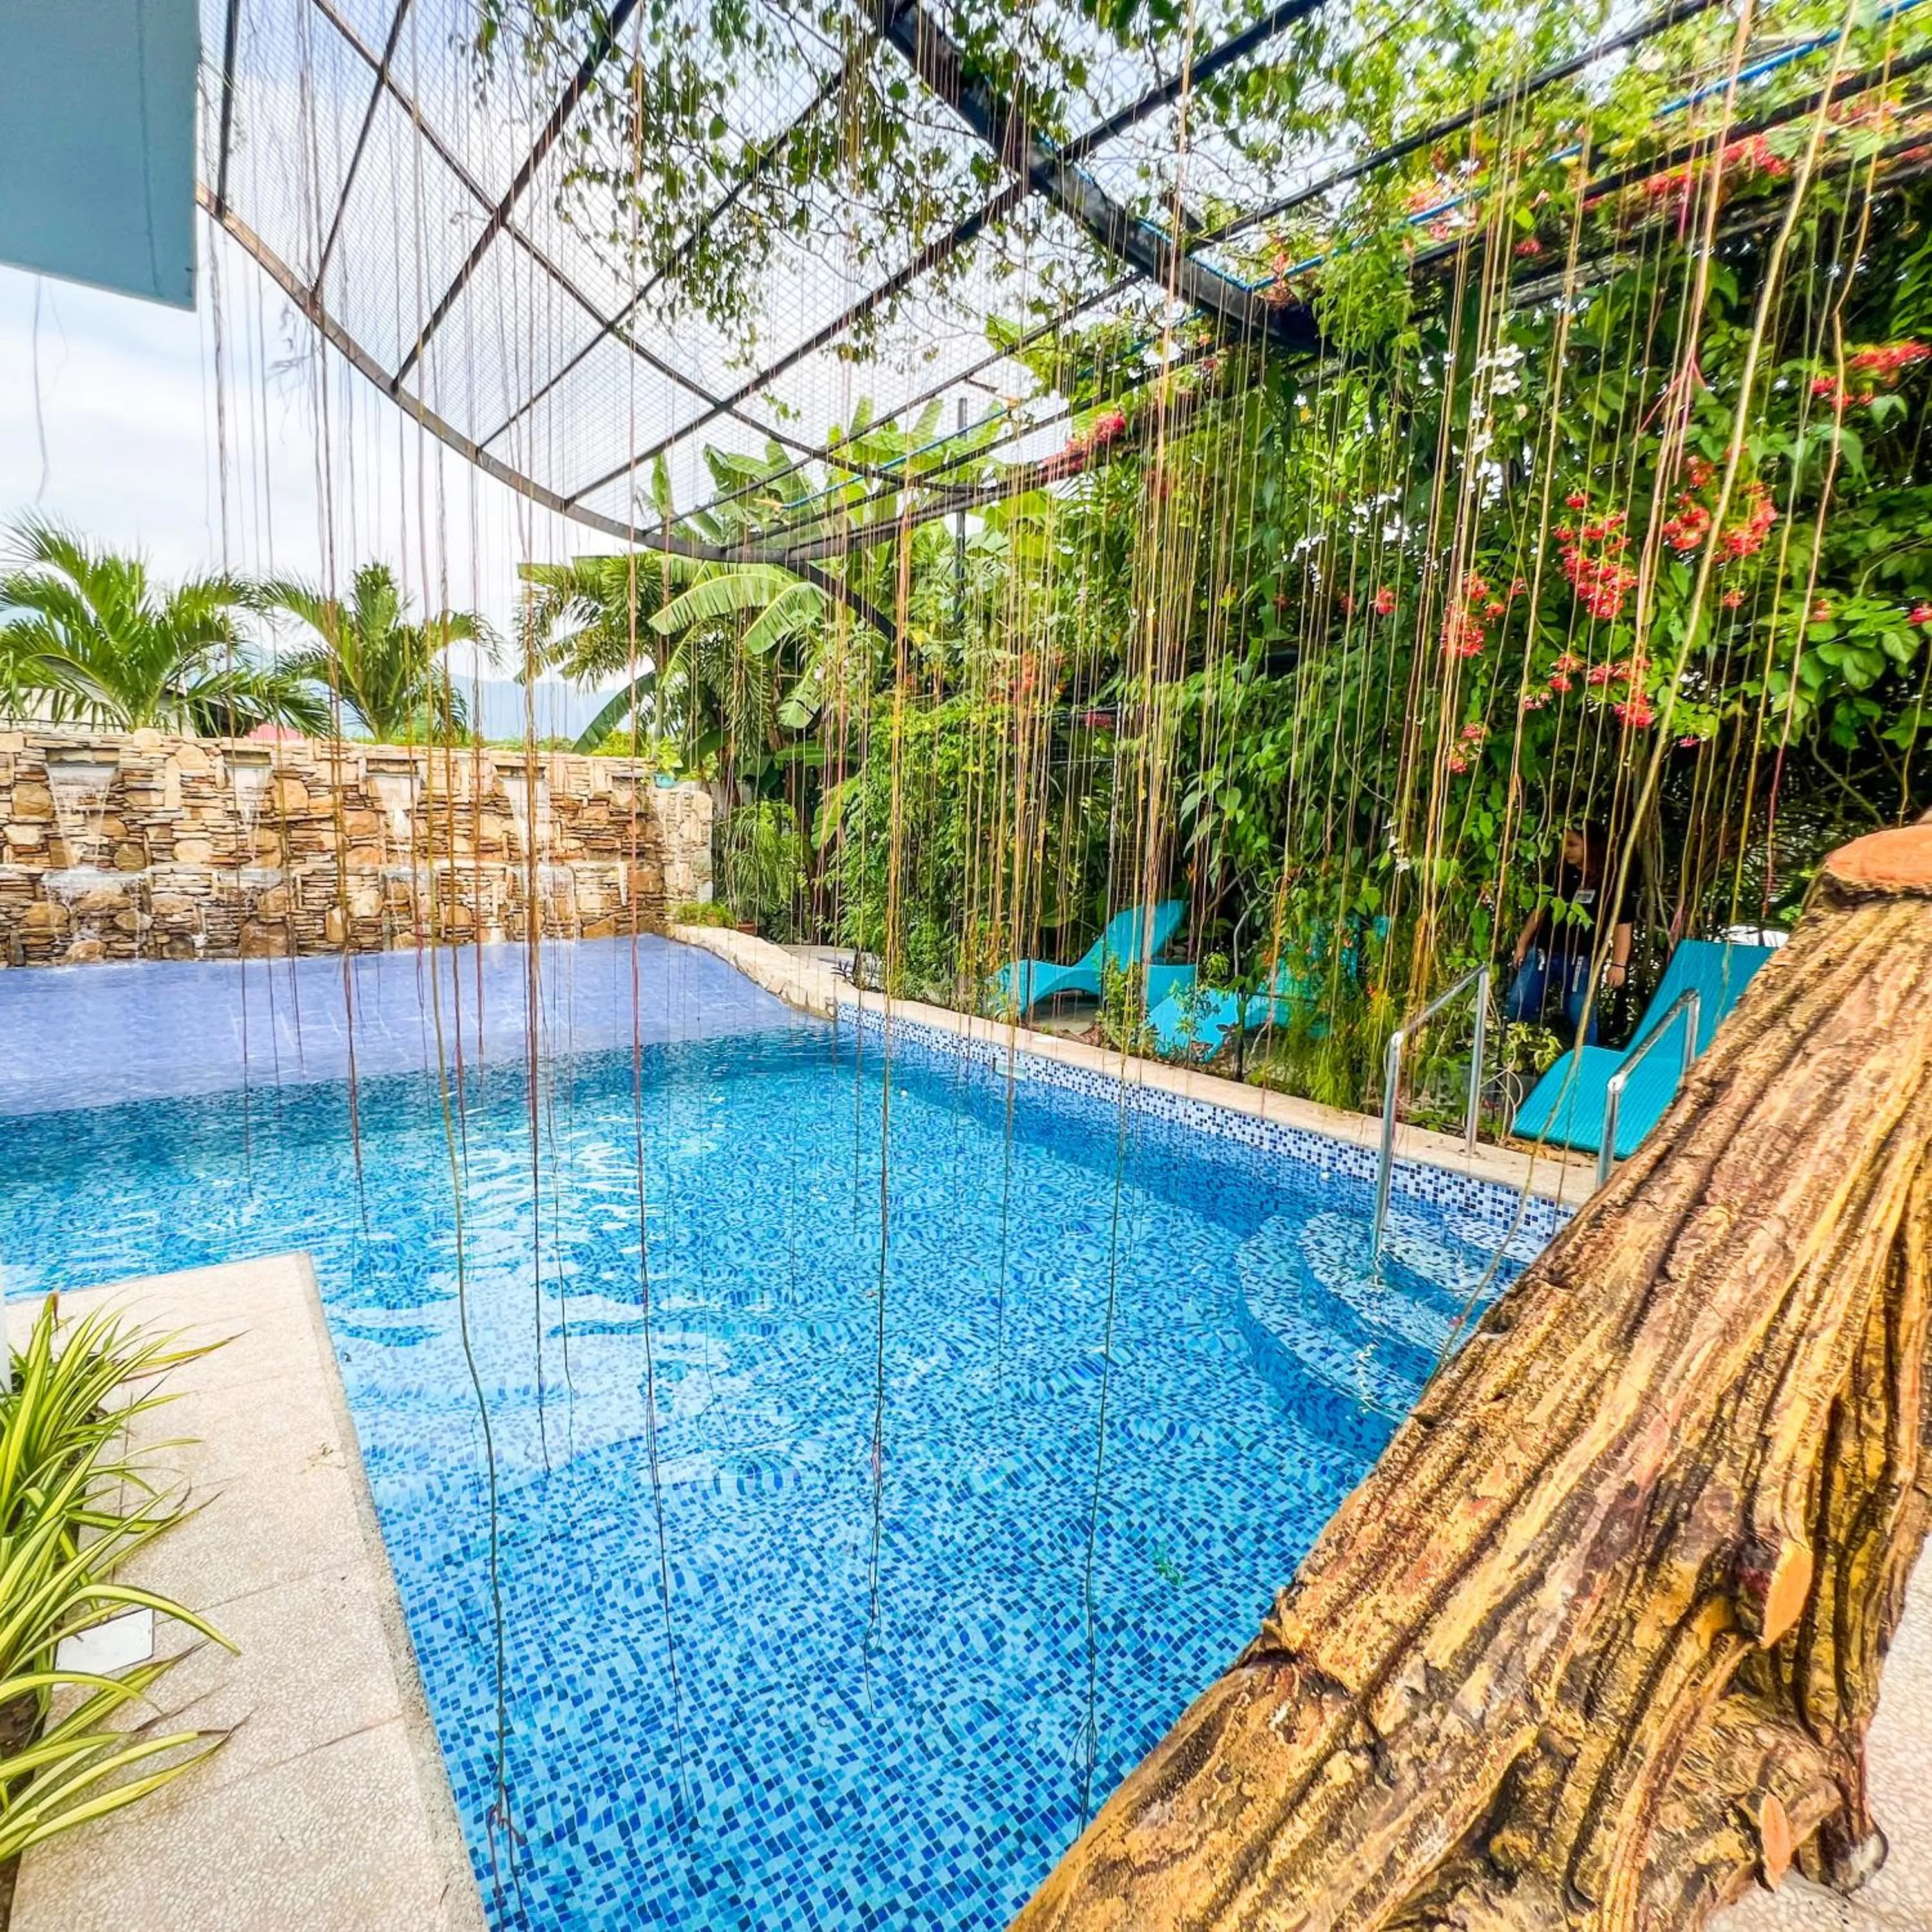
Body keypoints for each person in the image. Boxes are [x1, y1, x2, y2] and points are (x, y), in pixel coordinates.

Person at [1505, 824, 1634, 1046]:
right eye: (1564, 844)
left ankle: (1585, 1064)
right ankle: (1513, 1054)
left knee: (1580, 1013)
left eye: (1573, 844)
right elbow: (1540, 909)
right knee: (1519, 1003)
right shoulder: (1558, 872)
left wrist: (1619, 964)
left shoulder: (1612, 880)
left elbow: (1622, 924)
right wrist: (1522, 943)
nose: (1566, 850)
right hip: (1545, 950)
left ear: (1592, 846)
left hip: (1582, 958)